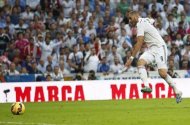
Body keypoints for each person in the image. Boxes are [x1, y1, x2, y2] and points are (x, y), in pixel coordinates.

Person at [125, 11, 182, 103]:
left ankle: (177, 91)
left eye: (130, 18)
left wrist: (131, 58)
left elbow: (139, 43)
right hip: (151, 49)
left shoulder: (140, 24)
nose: (130, 20)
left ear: (136, 16)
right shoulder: (145, 20)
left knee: (162, 73)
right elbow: (152, 21)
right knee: (140, 62)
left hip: (160, 47)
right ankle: (147, 86)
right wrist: (155, 23)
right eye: (129, 19)